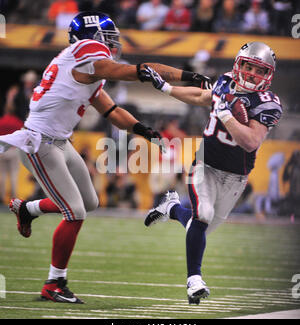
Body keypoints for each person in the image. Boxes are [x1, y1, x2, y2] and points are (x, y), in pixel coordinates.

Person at [2, 11, 211, 304]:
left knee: (89, 202)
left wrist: (144, 130)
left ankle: (28, 209)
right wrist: (185, 75)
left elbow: (112, 111)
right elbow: (134, 71)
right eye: (107, 36)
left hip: (60, 142)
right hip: (39, 142)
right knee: (75, 212)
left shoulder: (86, 68)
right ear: (92, 37)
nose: (112, 43)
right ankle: (54, 283)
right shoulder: (84, 52)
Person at [143, 41, 282, 304]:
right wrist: (165, 87)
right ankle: (194, 281)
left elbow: (251, 141)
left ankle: (171, 208)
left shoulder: (269, 103)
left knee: (198, 229)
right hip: (205, 164)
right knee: (202, 216)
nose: (252, 73)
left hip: (236, 178)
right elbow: (200, 97)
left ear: (268, 75)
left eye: (258, 70)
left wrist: (226, 115)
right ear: (239, 64)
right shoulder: (225, 82)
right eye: (248, 66)